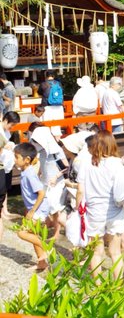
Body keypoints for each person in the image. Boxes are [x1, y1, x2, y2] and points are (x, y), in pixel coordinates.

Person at [76, 131, 124, 279]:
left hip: (94, 213)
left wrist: (79, 212)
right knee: (115, 253)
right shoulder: (117, 163)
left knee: (96, 253)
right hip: (115, 212)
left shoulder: (86, 163)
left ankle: (97, 286)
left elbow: (80, 191)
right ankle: (117, 287)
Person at [15, 142, 50, 271]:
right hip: (33, 208)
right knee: (32, 233)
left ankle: (48, 248)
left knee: (22, 233)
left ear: (27, 160)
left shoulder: (30, 174)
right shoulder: (25, 172)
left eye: (17, 157)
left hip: (39, 209)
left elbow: (41, 193)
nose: (15, 160)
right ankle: (42, 262)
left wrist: (32, 211)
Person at [30, 125, 69, 239]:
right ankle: (49, 223)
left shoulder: (56, 150)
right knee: (44, 203)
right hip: (45, 181)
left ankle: (57, 233)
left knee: (54, 206)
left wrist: (56, 176)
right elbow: (43, 165)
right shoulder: (42, 151)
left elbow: (67, 167)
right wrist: (38, 175)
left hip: (56, 183)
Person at [0, 111, 19, 219]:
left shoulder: (6, 131)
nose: (12, 127)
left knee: (5, 187)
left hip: (7, 164)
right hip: (1, 164)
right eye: (12, 125)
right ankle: (2, 212)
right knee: (1, 188)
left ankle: (5, 211)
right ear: (6, 120)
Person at [38, 69, 64, 137]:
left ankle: (48, 139)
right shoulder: (58, 84)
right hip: (58, 107)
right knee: (57, 126)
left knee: (46, 125)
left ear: (46, 76)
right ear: (53, 76)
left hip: (47, 106)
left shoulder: (43, 84)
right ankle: (57, 140)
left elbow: (39, 92)